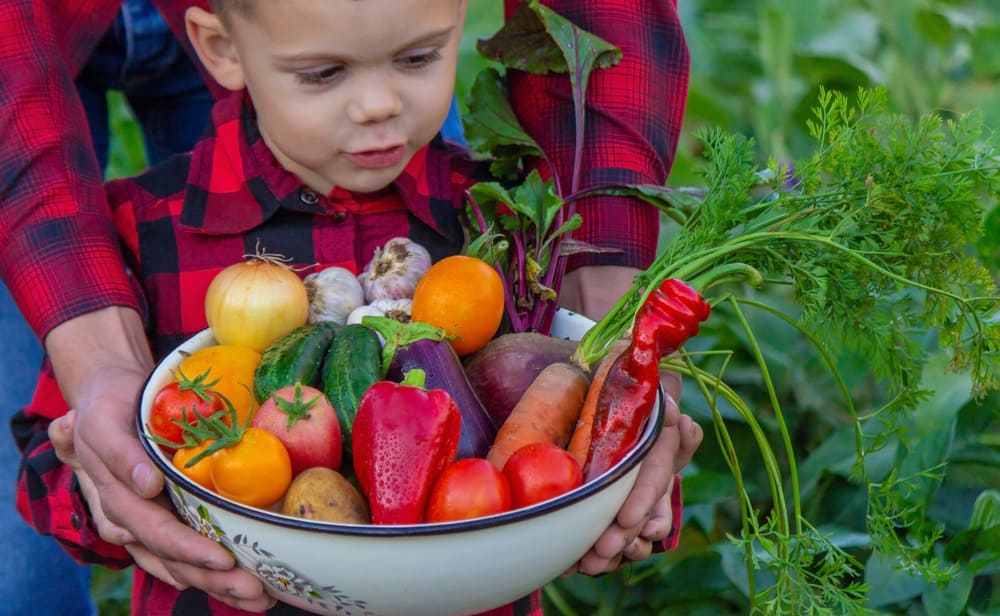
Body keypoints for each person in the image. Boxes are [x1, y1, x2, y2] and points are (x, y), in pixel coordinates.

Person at [4, 0, 698, 613]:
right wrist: (119, 492)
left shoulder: (502, 228)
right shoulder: (149, 233)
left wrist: (623, 467)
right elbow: (49, 472)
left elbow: (575, 429)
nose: (377, 105)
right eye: (323, 73)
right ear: (221, 50)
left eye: (419, 56)